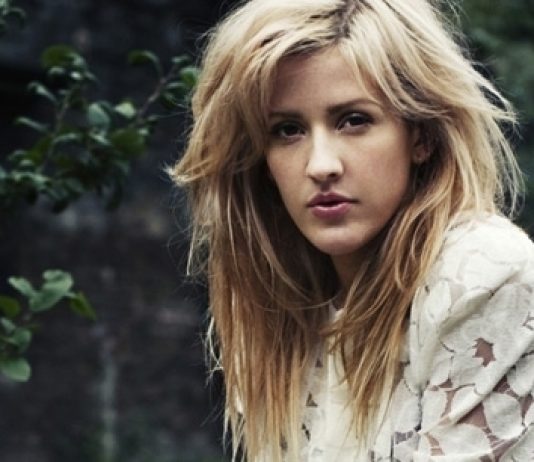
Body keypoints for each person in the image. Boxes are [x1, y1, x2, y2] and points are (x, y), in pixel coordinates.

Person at [170, 0, 534, 460]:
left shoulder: (483, 274)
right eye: (287, 130)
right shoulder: (282, 311)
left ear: (420, 135)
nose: (321, 165)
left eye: (354, 121)